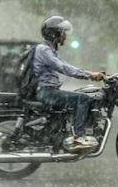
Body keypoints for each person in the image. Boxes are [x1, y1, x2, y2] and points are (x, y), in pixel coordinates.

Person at [33, 16, 105, 151]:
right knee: (82, 99)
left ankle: (71, 132)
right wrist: (89, 75)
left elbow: (64, 64)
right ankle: (78, 137)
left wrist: (90, 74)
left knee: (80, 95)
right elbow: (63, 67)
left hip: (48, 90)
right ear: (55, 34)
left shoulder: (49, 49)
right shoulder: (44, 50)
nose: (65, 36)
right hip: (46, 92)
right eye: (63, 33)